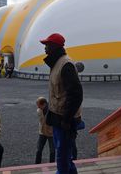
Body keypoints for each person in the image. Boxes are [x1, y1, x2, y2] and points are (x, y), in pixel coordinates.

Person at [40, 33, 83, 174]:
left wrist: (66, 119)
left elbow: (76, 95)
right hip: (59, 119)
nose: (45, 49)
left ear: (55, 47)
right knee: (65, 156)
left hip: (64, 121)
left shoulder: (65, 65)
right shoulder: (57, 63)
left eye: (47, 45)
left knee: (62, 158)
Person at [35, 97, 55, 164]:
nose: (38, 107)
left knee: (52, 150)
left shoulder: (52, 111)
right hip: (42, 132)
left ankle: (52, 164)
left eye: (38, 105)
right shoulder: (39, 111)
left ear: (44, 104)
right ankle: (37, 164)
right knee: (39, 150)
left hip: (51, 133)